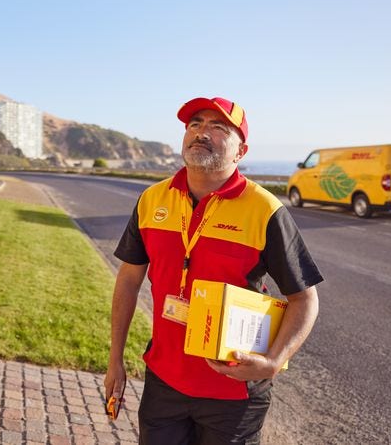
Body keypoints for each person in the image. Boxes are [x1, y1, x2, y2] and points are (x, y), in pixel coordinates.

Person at [104, 96, 323, 444]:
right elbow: (129, 281)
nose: (202, 132)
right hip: (164, 383)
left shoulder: (264, 210)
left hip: (234, 394)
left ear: (241, 151)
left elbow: (304, 299)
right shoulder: (152, 200)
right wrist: (115, 359)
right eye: (195, 124)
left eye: (218, 127)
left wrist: (272, 361)